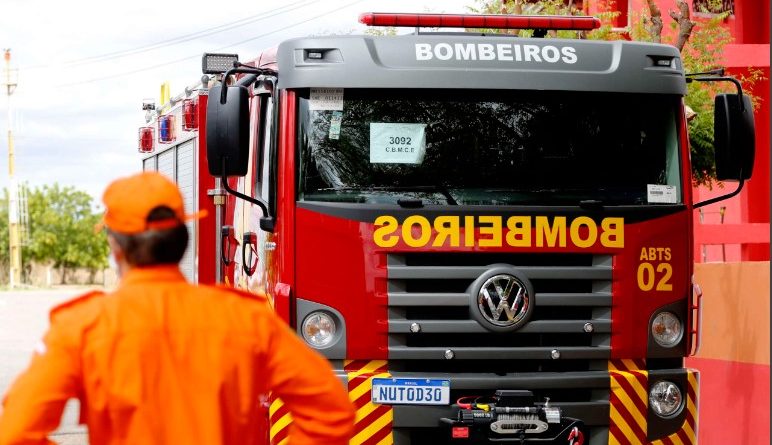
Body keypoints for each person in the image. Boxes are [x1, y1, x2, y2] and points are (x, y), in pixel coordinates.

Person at [0, 172, 355, 445]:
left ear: (116, 247)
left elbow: (16, 431)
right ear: (182, 241)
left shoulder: (81, 327)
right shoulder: (247, 319)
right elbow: (331, 411)